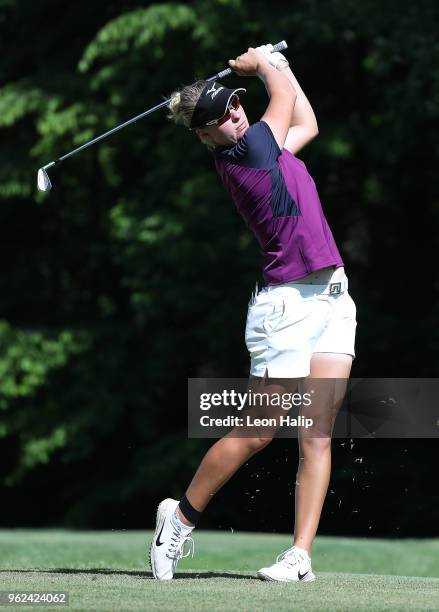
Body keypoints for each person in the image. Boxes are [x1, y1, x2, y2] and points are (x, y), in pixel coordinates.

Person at [149, 45, 357, 582]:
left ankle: (300, 557)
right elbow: (283, 97)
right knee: (259, 432)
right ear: (204, 135)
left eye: (235, 105)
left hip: (333, 298)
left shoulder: (270, 148)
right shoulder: (247, 155)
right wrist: (263, 62)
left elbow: (305, 118)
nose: (233, 114)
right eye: (219, 116)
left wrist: (274, 67)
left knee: (317, 434)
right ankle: (180, 519)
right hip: (286, 307)